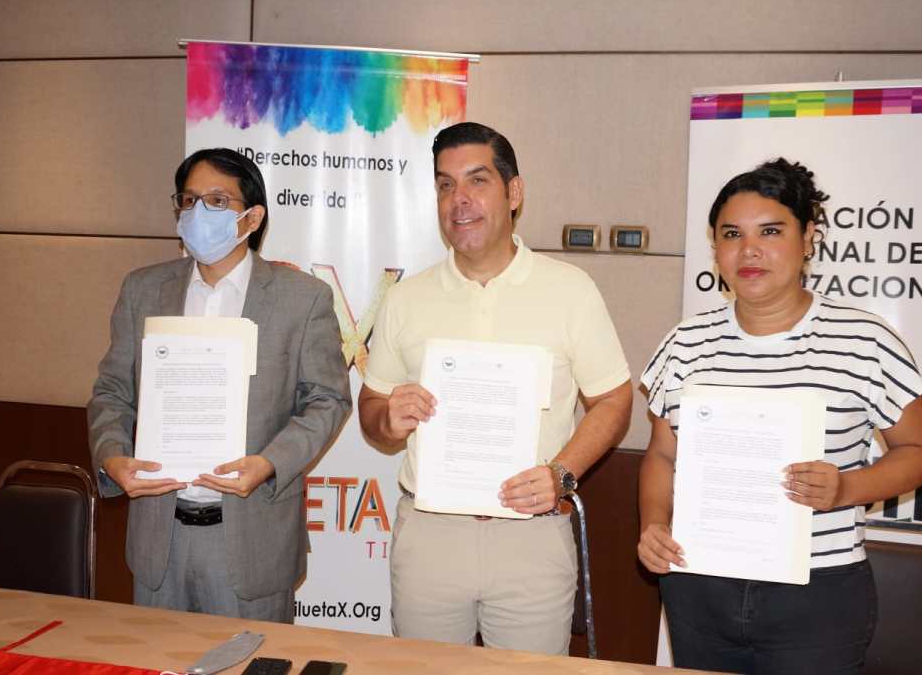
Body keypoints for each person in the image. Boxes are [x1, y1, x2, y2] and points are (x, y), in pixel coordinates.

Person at [637, 158, 922, 674]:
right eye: (732, 234)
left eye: (771, 231)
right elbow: (663, 455)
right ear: (715, 248)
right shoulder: (686, 342)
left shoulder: (864, 340)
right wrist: (653, 523)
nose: (749, 249)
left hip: (817, 594)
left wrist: (847, 488)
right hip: (698, 582)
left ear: (808, 240)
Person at [358, 122, 632, 654]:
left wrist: (561, 475)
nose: (459, 199)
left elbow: (613, 400)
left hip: (531, 534)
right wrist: (387, 417)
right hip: (431, 536)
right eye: (445, 185)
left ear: (514, 192)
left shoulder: (570, 290)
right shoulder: (405, 298)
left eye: (477, 180)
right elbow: (372, 405)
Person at [87, 148, 351, 622]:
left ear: (252, 217)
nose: (197, 213)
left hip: (253, 538)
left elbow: (327, 399)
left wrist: (269, 464)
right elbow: (111, 391)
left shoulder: (302, 298)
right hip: (159, 536)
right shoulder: (142, 290)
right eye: (188, 201)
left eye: (216, 201)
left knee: (251, 658)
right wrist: (112, 455)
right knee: (157, 657)